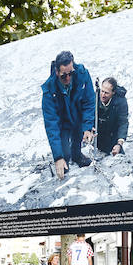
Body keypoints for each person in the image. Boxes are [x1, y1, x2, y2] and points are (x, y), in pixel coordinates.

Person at [41, 51, 95, 180]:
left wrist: (87, 127)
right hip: (62, 123)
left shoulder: (82, 74)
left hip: (77, 116)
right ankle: (64, 157)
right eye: (64, 76)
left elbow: (89, 101)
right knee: (64, 157)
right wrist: (58, 157)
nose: (68, 78)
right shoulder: (49, 91)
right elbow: (51, 125)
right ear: (56, 71)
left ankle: (77, 155)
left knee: (77, 141)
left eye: (71, 73)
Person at [96, 77, 128, 156]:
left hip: (112, 135)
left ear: (113, 92)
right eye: (102, 91)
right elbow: (87, 116)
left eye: (106, 93)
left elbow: (123, 122)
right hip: (97, 135)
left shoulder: (121, 101)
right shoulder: (95, 97)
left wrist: (119, 144)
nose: (103, 95)